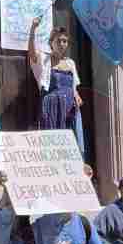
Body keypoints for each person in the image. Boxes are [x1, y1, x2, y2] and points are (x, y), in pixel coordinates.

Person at [29, 17, 85, 156]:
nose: (61, 43)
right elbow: (31, 53)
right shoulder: (44, 59)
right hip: (51, 106)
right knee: (52, 143)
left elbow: (74, 87)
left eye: (64, 41)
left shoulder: (70, 63)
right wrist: (33, 29)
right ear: (51, 43)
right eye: (58, 40)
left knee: (70, 143)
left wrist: (77, 97)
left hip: (68, 108)